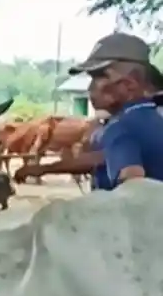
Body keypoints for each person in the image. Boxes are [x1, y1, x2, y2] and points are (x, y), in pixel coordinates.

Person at [68, 31, 163, 189]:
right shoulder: (156, 118)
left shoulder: (120, 127)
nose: (91, 87)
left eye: (99, 76)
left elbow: (134, 188)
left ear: (130, 83)